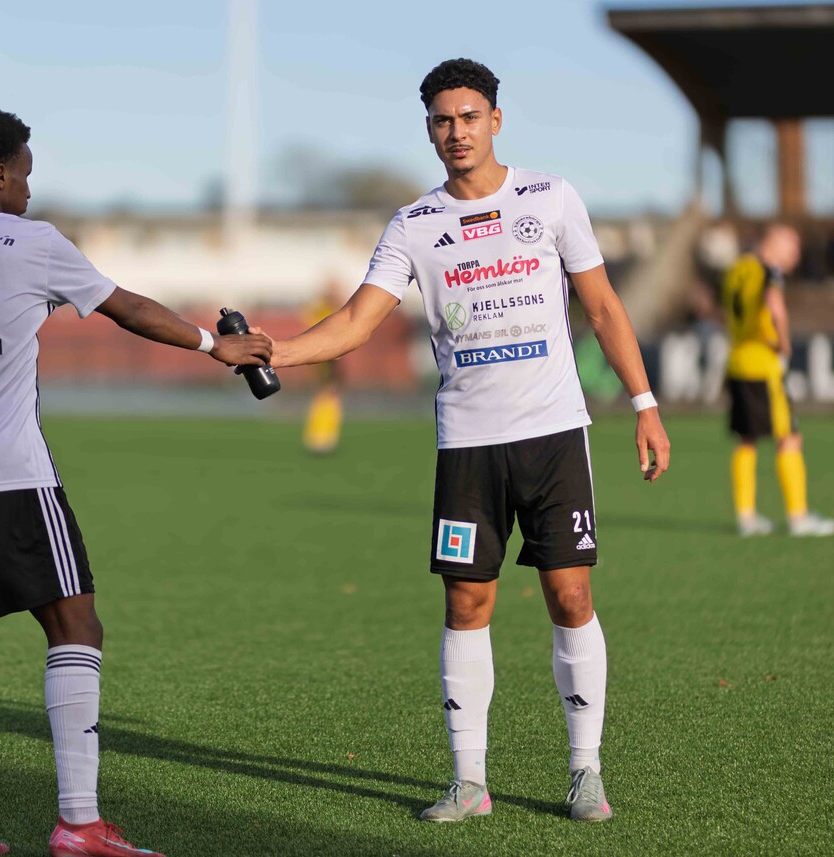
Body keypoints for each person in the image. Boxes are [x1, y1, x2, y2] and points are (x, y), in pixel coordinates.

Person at [0, 109, 272, 857]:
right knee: (77, 626)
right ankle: (79, 822)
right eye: (26, 174)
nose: (29, 189)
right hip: (9, 469)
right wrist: (215, 344)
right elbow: (126, 308)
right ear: (0, 172)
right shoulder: (31, 241)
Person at [264, 58, 670, 823]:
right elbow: (356, 321)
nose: (457, 131)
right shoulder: (414, 224)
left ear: (496, 120)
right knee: (466, 599)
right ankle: (469, 780)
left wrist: (645, 404)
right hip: (468, 444)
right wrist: (274, 351)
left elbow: (604, 308)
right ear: (429, 129)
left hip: (553, 434)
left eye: (469, 116)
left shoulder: (551, 197)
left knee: (571, 594)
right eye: (443, 120)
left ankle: (585, 770)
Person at [721, 224, 834, 537]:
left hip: (738, 361)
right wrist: (784, 344)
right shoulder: (767, 270)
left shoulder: (737, 269)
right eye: (792, 248)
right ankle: (799, 517)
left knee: (746, 439)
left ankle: (746, 517)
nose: (795, 256)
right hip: (763, 364)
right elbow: (775, 308)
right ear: (776, 244)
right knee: (790, 438)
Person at [301, 278, 346, 453]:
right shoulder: (322, 310)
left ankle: (324, 435)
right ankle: (320, 437)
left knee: (329, 395)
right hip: (325, 357)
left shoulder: (331, 309)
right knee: (326, 394)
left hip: (331, 356)